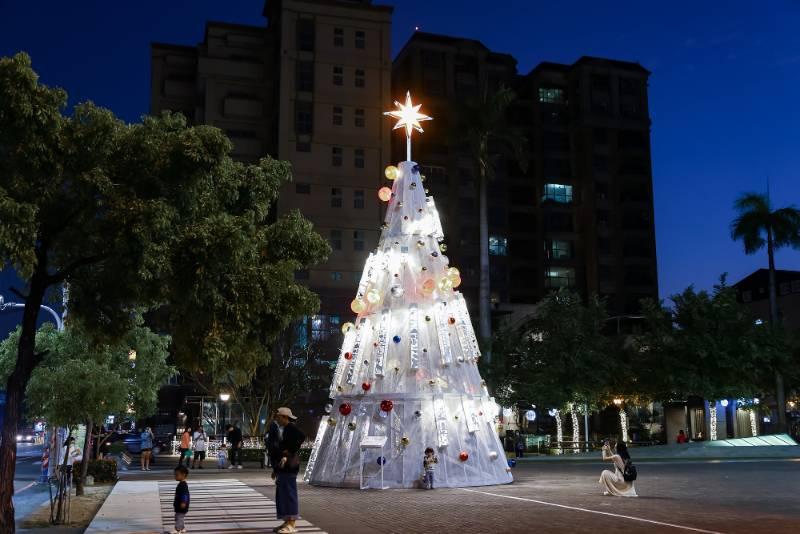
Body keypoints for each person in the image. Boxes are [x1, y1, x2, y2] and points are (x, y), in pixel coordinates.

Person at [271, 407, 305, 534]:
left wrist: (290, 451)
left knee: (289, 494)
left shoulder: (291, 428)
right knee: (283, 494)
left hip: (289, 466)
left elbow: (302, 437)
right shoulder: (285, 429)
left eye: (279, 417)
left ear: (285, 417)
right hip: (284, 466)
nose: (277, 419)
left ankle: (291, 523)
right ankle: (287, 521)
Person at [172, 465, 190, 534]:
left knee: (179, 517)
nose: (175, 476)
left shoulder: (183, 485)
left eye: (177, 475)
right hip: (179, 505)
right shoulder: (182, 484)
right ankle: (182, 528)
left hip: (181, 505)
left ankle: (177, 529)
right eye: (175, 475)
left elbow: (184, 495)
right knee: (179, 517)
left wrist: (184, 502)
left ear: (183, 475)